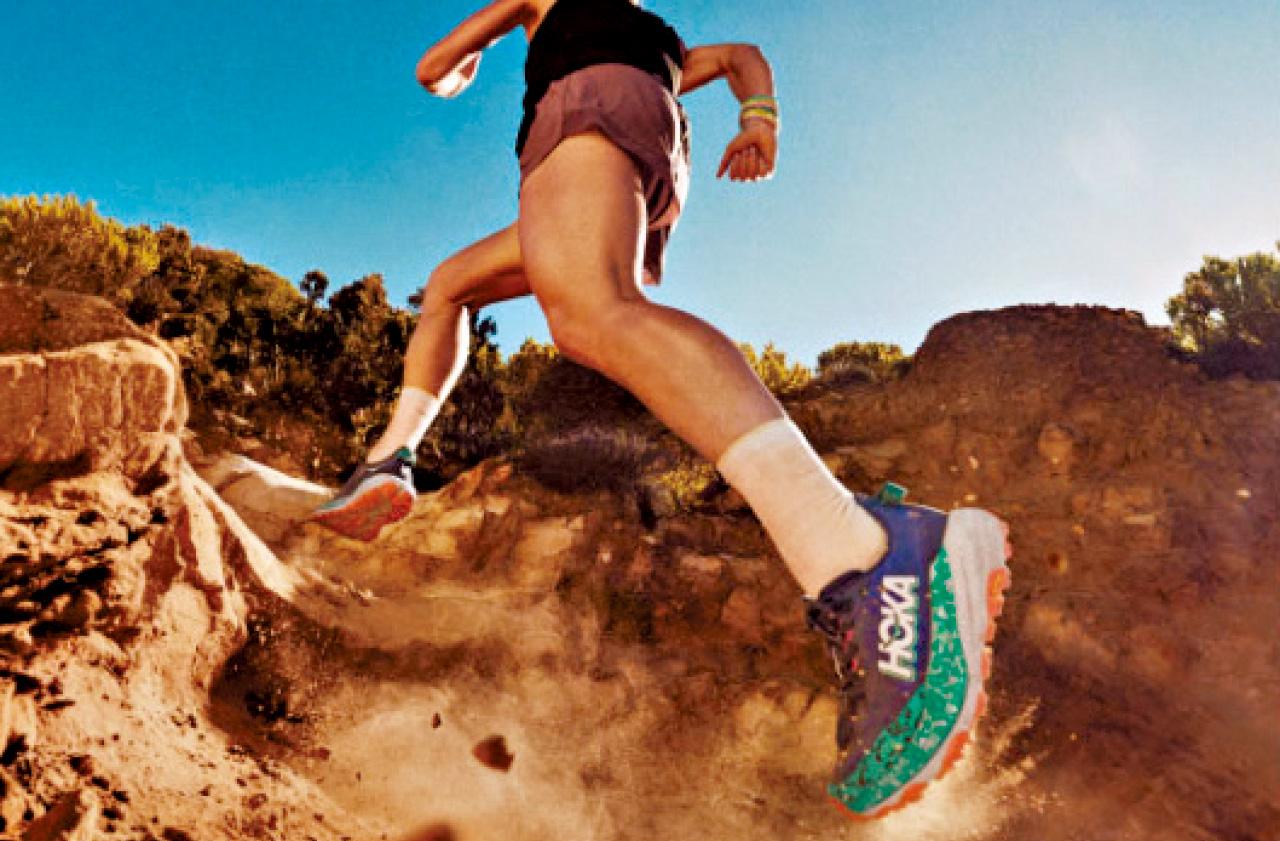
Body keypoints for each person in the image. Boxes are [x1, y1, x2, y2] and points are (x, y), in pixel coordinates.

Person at [312, 0, 1012, 820]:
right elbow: (744, 54)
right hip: (628, 136)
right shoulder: (666, 45)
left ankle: (866, 552)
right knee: (453, 285)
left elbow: (433, 69)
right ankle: (391, 457)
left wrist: (468, 62)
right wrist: (759, 121)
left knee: (594, 311)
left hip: (583, 119)